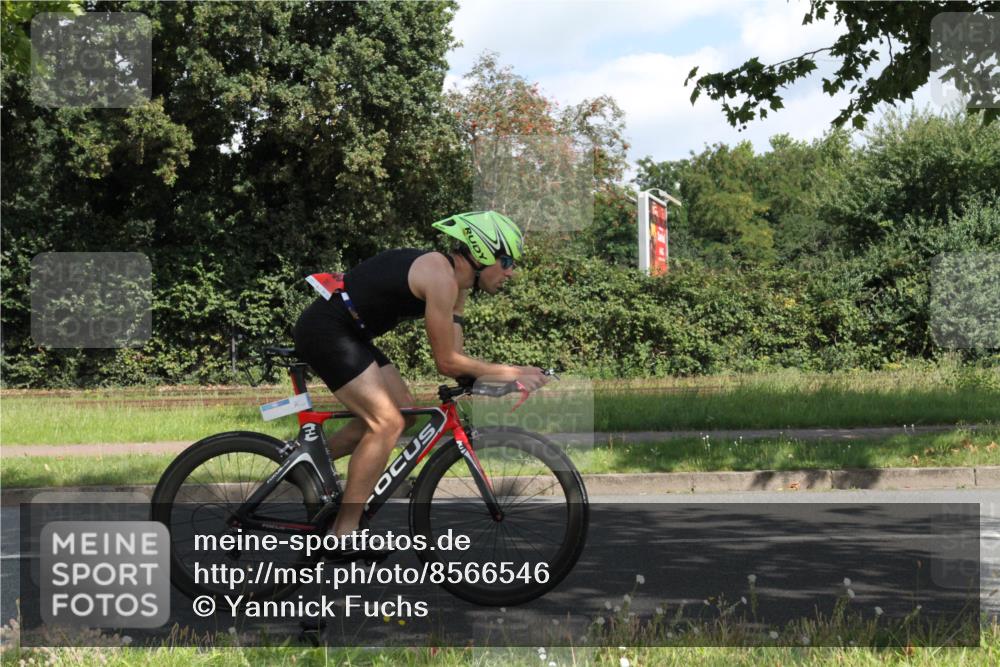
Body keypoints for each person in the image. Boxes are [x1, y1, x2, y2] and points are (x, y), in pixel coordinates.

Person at [292, 211, 549, 543]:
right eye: (506, 260)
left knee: (403, 412)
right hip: (329, 329)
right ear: (483, 253)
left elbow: (458, 359)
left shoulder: (458, 286)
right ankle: (344, 531)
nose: (511, 271)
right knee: (386, 423)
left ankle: (305, 463)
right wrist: (514, 372)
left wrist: (485, 379)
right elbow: (447, 361)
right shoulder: (440, 277)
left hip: (352, 333)